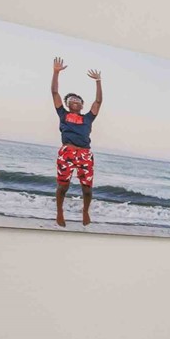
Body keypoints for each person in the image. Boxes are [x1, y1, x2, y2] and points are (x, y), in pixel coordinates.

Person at [49, 57, 103, 227]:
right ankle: (59, 211)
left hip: (85, 154)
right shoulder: (63, 115)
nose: (75, 100)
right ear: (67, 104)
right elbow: (55, 93)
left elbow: (98, 102)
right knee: (63, 187)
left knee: (87, 189)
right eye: (71, 99)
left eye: (78, 100)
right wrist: (56, 73)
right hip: (67, 152)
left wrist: (98, 82)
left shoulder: (88, 118)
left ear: (81, 104)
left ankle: (85, 211)